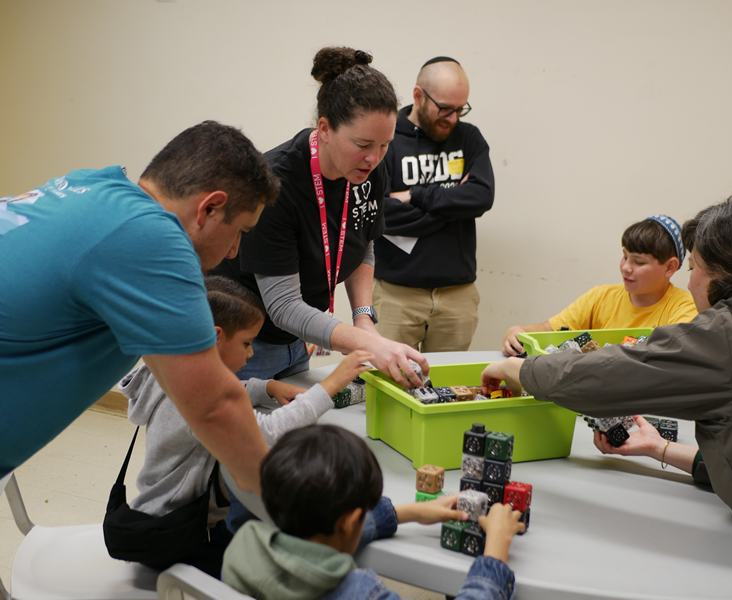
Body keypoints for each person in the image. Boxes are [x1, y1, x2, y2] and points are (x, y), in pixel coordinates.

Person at [482, 194, 732, 550]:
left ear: (725, 274)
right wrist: (659, 448)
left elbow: (606, 377)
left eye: (693, 268)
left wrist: (517, 368)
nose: (691, 281)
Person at [0, 121, 279, 494]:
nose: (234, 252)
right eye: (241, 232)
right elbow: (214, 406)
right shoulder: (152, 239)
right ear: (210, 208)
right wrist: (330, 515)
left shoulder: (93, 185)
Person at [118, 276, 372, 578]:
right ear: (215, 336)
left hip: (165, 516)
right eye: (246, 343)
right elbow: (267, 430)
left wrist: (265, 387)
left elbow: (222, 389)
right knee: (285, 575)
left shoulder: (173, 372)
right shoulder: (197, 397)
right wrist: (330, 385)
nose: (251, 354)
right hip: (179, 533)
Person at [213, 47, 427, 389]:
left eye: (385, 145)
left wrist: (363, 320)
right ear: (324, 128)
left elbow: (362, 243)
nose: (374, 158)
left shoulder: (369, 169)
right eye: (363, 144)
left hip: (299, 337)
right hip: (246, 341)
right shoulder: (274, 184)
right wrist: (369, 344)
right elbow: (283, 306)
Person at [222, 424, 524, 600]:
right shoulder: (362, 592)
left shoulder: (242, 548)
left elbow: (320, 537)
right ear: (350, 521)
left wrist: (407, 512)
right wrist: (494, 553)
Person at [373, 56, 494, 353]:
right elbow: (380, 213)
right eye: (445, 108)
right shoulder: (385, 138)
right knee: (388, 385)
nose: (453, 118)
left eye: (460, 109)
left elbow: (481, 197)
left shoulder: (469, 137)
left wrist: (416, 195)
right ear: (418, 95)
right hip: (396, 295)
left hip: (458, 295)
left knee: (446, 390)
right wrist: (452, 208)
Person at [502, 215, 697, 356]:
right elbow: (548, 329)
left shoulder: (685, 307)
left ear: (670, 267)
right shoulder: (600, 297)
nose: (626, 268)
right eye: (624, 256)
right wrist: (518, 331)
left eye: (638, 262)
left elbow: (673, 362)